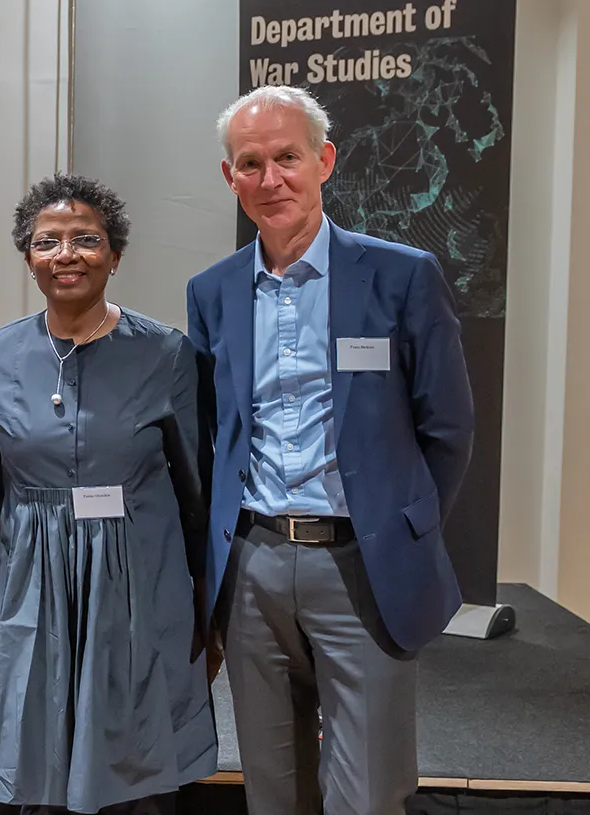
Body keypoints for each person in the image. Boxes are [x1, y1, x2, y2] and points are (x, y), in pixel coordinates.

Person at [187, 85, 474, 814]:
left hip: (360, 564)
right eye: (250, 163)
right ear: (230, 178)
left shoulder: (402, 275)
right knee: (273, 794)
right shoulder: (212, 292)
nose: (270, 178)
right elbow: (212, 430)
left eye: (287, 157)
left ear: (325, 160)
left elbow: (447, 427)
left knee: (367, 794)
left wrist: (399, 529)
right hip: (250, 565)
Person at [0, 174, 218, 814]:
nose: (67, 254)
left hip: (140, 582)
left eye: (86, 239)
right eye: (48, 242)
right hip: (35, 586)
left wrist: (209, 617)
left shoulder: (167, 355)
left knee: (140, 768)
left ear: (115, 255)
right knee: (39, 767)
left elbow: (198, 498)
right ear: (28, 258)